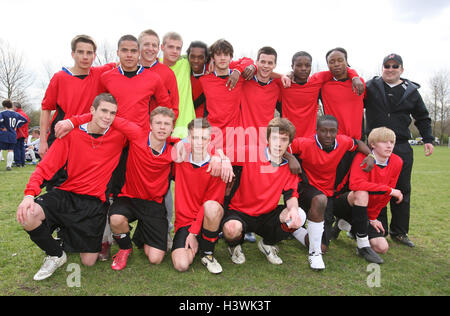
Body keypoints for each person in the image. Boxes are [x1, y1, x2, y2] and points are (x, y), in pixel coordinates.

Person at [16, 93, 127, 281]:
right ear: (92, 110)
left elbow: (138, 127)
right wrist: (28, 194)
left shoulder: (119, 137)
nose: (108, 117)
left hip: (94, 203)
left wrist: (75, 119)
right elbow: (45, 167)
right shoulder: (71, 134)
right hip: (67, 194)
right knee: (28, 215)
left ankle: (65, 234)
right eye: (104, 111)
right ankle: (56, 254)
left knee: (89, 261)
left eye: (112, 113)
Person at [364, 53, 434, 247]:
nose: (391, 69)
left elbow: (422, 117)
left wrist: (428, 138)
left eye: (395, 66)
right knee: (376, 189)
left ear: (401, 69)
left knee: (402, 189)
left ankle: (400, 232)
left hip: (400, 146)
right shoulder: (370, 86)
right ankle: (378, 230)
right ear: (382, 68)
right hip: (374, 147)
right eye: (387, 65)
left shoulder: (411, 91)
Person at [289, 115, 374, 270]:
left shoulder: (343, 142)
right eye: (323, 131)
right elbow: (278, 147)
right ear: (316, 131)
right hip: (307, 192)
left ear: (337, 132)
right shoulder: (304, 143)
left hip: (331, 196)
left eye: (332, 131)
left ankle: (295, 229)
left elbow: (358, 143)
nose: (328, 135)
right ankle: (312, 252)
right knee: (320, 200)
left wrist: (371, 155)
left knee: (323, 246)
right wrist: (290, 157)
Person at [222, 117, 305, 266]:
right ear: (267, 139)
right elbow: (220, 152)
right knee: (230, 229)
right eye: (274, 138)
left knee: (297, 215)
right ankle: (234, 245)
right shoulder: (250, 152)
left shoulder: (290, 167)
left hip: (267, 214)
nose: (278, 144)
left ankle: (267, 244)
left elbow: (291, 195)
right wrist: (223, 159)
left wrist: (293, 209)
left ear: (289, 142)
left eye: (284, 139)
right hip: (240, 211)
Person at [39, 34, 116, 158]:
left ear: (94, 56)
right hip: (61, 137)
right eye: (80, 52)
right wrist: (42, 141)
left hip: (86, 140)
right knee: (50, 176)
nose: (85, 57)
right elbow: (46, 108)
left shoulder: (100, 74)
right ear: (73, 54)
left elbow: (127, 61)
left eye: (89, 53)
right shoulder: (60, 77)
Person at [333, 127, 403, 261]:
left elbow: (385, 195)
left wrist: (373, 217)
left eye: (392, 142)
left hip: (368, 209)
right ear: (373, 144)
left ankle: (345, 224)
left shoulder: (397, 161)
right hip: (347, 203)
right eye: (384, 142)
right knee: (361, 193)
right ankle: (362, 246)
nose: (389, 146)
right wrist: (389, 190)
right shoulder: (362, 157)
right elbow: (356, 185)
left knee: (382, 247)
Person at [171, 118, 227, 274]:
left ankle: (207, 253)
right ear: (188, 138)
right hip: (184, 221)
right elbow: (164, 135)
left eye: (203, 138)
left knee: (212, 206)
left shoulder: (216, 167)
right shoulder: (180, 156)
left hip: (206, 220)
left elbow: (212, 202)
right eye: (194, 137)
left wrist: (194, 232)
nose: (199, 142)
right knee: (181, 265)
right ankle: (198, 246)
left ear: (210, 140)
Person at [280, 51, 364, 138]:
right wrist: (287, 74)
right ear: (292, 66)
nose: (303, 68)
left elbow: (340, 70)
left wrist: (355, 77)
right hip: (287, 137)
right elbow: (268, 75)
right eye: (299, 65)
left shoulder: (317, 80)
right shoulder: (283, 83)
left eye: (307, 65)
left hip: (309, 139)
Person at [320, 47, 365, 140]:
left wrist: (354, 76)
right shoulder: (323, 87)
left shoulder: (360, 84)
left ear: (346, 61)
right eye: (332, 62)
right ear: (328, 65)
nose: (336, 64)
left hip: (357, 140)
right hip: (333, 140)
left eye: (340, 60)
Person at [138, 29, 179, 118]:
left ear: (158, 48)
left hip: (156, 129)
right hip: (132, 126)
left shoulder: (168, 73)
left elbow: (174, 108)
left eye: (154, 45)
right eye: (146, 44)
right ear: (138, 47)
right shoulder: (129, 70)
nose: (150, 48)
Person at [0, 99, 28, 170]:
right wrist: (16, 125)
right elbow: (25, 120)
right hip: (13, 134)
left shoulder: (2, 113)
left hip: (4, 134)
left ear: (4, 106)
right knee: (11, 150)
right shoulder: (16, 114)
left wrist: (2, 127)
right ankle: (8, 166)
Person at [13, 102, 29, 167]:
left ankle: (18, 162)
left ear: (16, 107)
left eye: (13, 106)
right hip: (23, 133)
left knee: (17, 148)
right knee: (21, 147)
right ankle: (22, 162)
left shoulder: (17, 114)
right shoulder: (24, 114)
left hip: (18, 133)